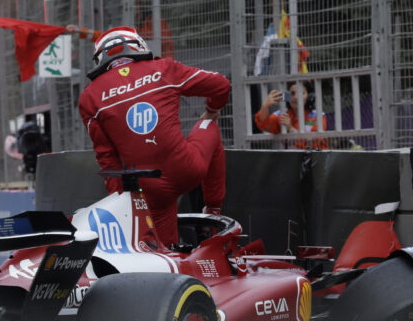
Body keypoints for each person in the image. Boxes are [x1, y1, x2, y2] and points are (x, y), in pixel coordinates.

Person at [78, 26, 230, 247]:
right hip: (186, 167)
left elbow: (107, 159)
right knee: (210, 125)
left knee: (163, 253)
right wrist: (211, 109)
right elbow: (221, 85)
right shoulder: (163, 68)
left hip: (149, 188)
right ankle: (213, 213)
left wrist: (121, 203)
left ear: (100, 58)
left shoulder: (89, 97)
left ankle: (170, 258)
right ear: (138, 46)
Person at [254, 80, 329, 150]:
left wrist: (291, 129)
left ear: (309, 97)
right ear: (287, 97)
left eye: (301, 93)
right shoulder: (281, 114)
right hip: (289, 159)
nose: (296, 97)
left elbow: (315, 144)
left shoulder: (318, 116)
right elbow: (265, 125)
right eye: (292, 93)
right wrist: (265, 106)